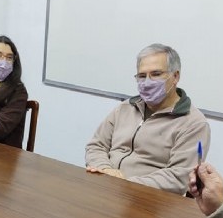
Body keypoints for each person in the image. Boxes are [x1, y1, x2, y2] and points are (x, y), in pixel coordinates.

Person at [85, 43, 210, 195]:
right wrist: (105, 170)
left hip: (149, 200)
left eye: (156, 74)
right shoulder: (125, 108)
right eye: (142, 76)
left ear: (175, 76)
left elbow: (178, 177)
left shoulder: (194, 123)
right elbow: (96, 145)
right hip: (106, 188)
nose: (147, 82)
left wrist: (124, 183)